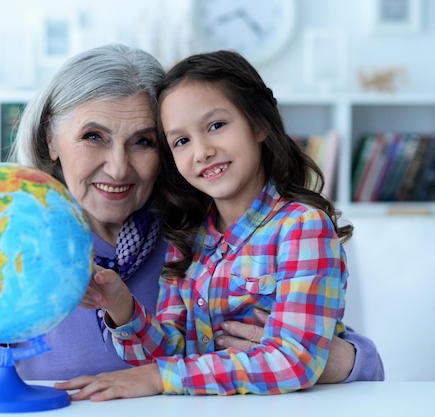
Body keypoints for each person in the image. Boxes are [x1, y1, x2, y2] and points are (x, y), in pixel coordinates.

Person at [0, 45, 383, 384]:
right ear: (50, 139)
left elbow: (356, 357)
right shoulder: (0, 238)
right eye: (93, 137)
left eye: (144, 141)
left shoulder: (189, 239)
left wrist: (327, 360)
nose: (119, 166)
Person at [55, 50, 382, 400]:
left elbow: (296, 360)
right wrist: (122, 306)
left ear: (259, 124)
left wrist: (161, 378)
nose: (202, 151)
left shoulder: (302, 228)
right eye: (181, 141)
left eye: (216, 126)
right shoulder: (187, 239)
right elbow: (170, 356)